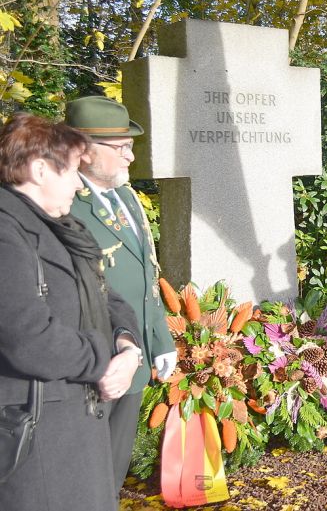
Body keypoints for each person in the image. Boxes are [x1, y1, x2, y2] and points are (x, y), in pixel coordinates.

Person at [0, 113, 142, 509]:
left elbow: (107, 296)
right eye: (72, 172)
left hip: (77, 428)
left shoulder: (59, 227)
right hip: (40, 440)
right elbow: (28, 337)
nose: (80, 184)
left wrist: (128, 347)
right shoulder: (7, 231)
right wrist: (103, 358)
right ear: (40, 169)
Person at [65, 95, 178, 490]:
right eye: (120, 148)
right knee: (83, 478)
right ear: (81, 150)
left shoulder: (124, 196)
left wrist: (158, 340)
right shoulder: (64, 205)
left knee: (112, 471)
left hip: (134, 358)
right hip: (96, 365)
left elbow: (147, 276)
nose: (130, 157)